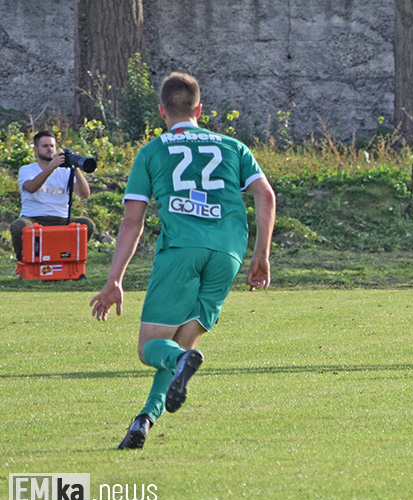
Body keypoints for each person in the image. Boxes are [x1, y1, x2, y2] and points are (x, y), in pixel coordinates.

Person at [89, 72, 276, 449]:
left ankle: (176, 367)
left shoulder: (152, 151)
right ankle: (144, 420)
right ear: (199, 109)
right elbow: (266, 196)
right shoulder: (233, 147)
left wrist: (115, 279)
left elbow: (132, 221)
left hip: (181, 249)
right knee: (180, 346)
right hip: (227, 252)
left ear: (162, 111)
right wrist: (261, 255)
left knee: (150, 348)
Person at [10, 130, 95, 262]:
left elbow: (84, 194)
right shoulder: (27, 169)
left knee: (87, 224)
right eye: (45, 146)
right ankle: (24, 263)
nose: (49, 149)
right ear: (36, 150)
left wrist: (76, 168)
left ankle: (70, 260)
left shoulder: (65, 172)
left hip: (61, 219)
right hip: (33, 218)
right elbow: (31, 188)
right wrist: (51, 167)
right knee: (19, 225)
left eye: (52, 146)